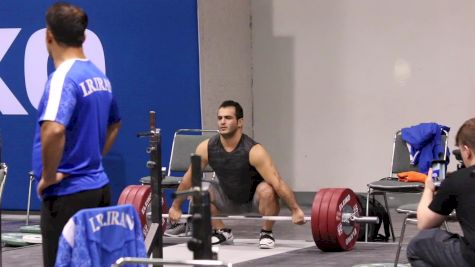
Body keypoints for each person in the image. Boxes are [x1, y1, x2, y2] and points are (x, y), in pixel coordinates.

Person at [31, 3, 121, 266]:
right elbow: (115, 124)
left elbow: (54, 129)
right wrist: (91, 158)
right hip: (98, 189)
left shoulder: (63, 78)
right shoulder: (98, 76)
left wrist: (48, 177)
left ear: (49, 36)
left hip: (68, 195)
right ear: (83, 36)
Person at [168, 100, 305, 249]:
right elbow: (189, 177)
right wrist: (176, 206)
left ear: (240, 122)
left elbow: (277, 181)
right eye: (220, 118)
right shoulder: (206, 147)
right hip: (226, 197)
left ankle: (266, 232)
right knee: (198, 188)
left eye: (228, 118)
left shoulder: (254, 150)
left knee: (268, 189)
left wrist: (295, 209)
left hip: (255, 201)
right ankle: (222, 231)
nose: (222, 122)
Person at [407, 118, 475, 266]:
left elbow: (424, 224)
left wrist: (428, 188)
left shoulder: (457, 180)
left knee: (418, 245)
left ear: (467, 151)